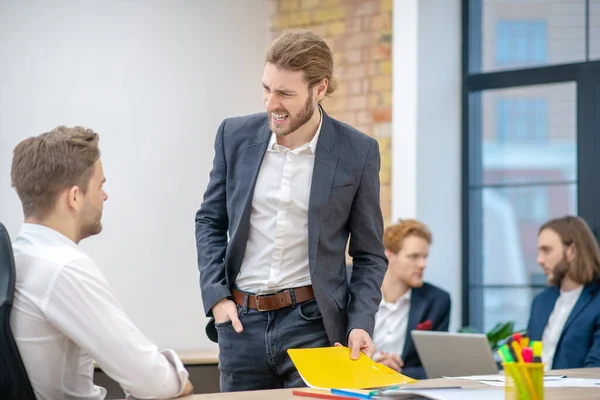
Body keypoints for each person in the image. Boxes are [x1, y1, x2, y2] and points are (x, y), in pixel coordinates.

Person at [195, 28, 387, 391]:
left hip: (313, 327)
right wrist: (216, 297)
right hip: (241, 324)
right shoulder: (233, 136)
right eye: (267, 88)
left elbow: (370, 254)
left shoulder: (357, 152)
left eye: (285, 93)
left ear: (320, 89)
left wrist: (361, 321)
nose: (271, 103)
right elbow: (209, 219)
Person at [10, 126, 194, 400]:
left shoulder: (18, 257)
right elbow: (155, 382)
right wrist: (180, 381)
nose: (104, 196)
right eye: (100, 186)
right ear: (74, 197)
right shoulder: (63, 268)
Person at [372, 219, 451, 379]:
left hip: (404, 388)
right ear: (389, 256)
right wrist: (372, 365)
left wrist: (397, 372)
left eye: (425, 257)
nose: (423, 264)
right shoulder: (355, 294)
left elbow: (434, 367)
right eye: (414, 256)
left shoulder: (437, 301)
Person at [527, 215, 600, 370]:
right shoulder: (541, 302)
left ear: (572, 251)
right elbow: (530, 359)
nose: (539, 260)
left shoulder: (596, 302)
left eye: (546, 250)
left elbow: (595, 370)